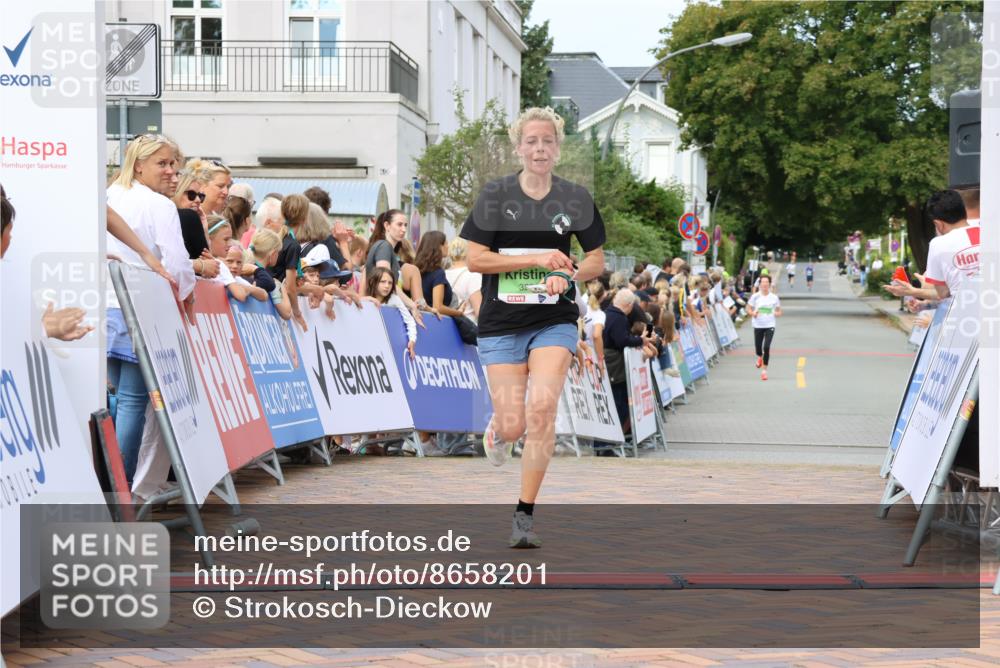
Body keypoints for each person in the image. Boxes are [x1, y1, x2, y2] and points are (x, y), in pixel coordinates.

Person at [461, 106, 607, 549]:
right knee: (512, 426)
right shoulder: (494, 195)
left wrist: (567, 274)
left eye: (547, 141)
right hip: (502, 322)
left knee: (542, 411)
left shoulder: (575, 198)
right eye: (532, 141)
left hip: (553, 319)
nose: (539, 148)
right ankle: (497, 431)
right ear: (518, 147)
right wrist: (536, 259)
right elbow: (475, 259)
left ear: (558, 149)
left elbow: (596, 260)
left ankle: (524, 515)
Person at [106, 134, 196, 484]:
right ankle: (121, 488)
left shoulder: (109, 196)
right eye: (163, 163)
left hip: (105, 305)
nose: (171, 170)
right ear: (138, 164)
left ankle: (113, 482)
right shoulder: (159, 206)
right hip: (138, 307)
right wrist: (187, 292)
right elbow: (175, 261)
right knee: (130, 401)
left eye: (173, 163)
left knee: (115, 398)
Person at [884, 190, 979, 301]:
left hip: (965, 311)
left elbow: (943, 293)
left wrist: (917, 288)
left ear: (938, 224)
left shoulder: (939, 244)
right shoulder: (989, 232)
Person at [364, 267, 417, 359]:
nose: (387, 286)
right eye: (383, 282)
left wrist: (412, 340)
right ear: (373, 282)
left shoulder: (394, 299)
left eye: (390, 283)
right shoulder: (366, 299)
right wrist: (366, 299)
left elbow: (410, 321)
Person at [415, 230, 467, 320]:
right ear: (439, 246)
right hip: (437, 322)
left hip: (421, 319)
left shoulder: (417, 270)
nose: (448, 246)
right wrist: (459, 313)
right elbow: (438, 307)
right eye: (445, 243)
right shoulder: (438, 273)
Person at [746, 275, 781, 381]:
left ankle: (764, 371)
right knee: (758, 348)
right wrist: (753, 313)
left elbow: (779, 311)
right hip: (758, 325)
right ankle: (760, 357)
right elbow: (748, 308)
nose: (765, 284)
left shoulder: (774, 297)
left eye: (767, 282)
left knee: (766, 347)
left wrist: (776, 313)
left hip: (770, 325)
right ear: (760, 284)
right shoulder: (755, 296)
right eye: (763, 282)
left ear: (769, 284)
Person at [445, 236, 483, 322]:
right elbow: (479, 312)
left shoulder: (443, 274)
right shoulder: (473, 276)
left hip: (448, 326)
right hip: (467, 328)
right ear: (467, 252)